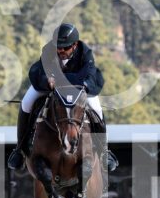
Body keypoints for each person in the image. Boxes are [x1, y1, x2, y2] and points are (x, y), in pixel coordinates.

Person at [7, 23, 118, 172]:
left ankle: (104, 152)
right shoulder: (48, 50)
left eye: (65, 48)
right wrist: (47, 81)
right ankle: (20, 150)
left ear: (75, 45)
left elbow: (91, 74)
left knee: (96, 108)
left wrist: (85, 85)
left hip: (78, 87)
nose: (61, 51)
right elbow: (41, 71)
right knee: (26, 103)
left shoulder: (85, 53)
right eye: (58, 47)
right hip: (52, 86)